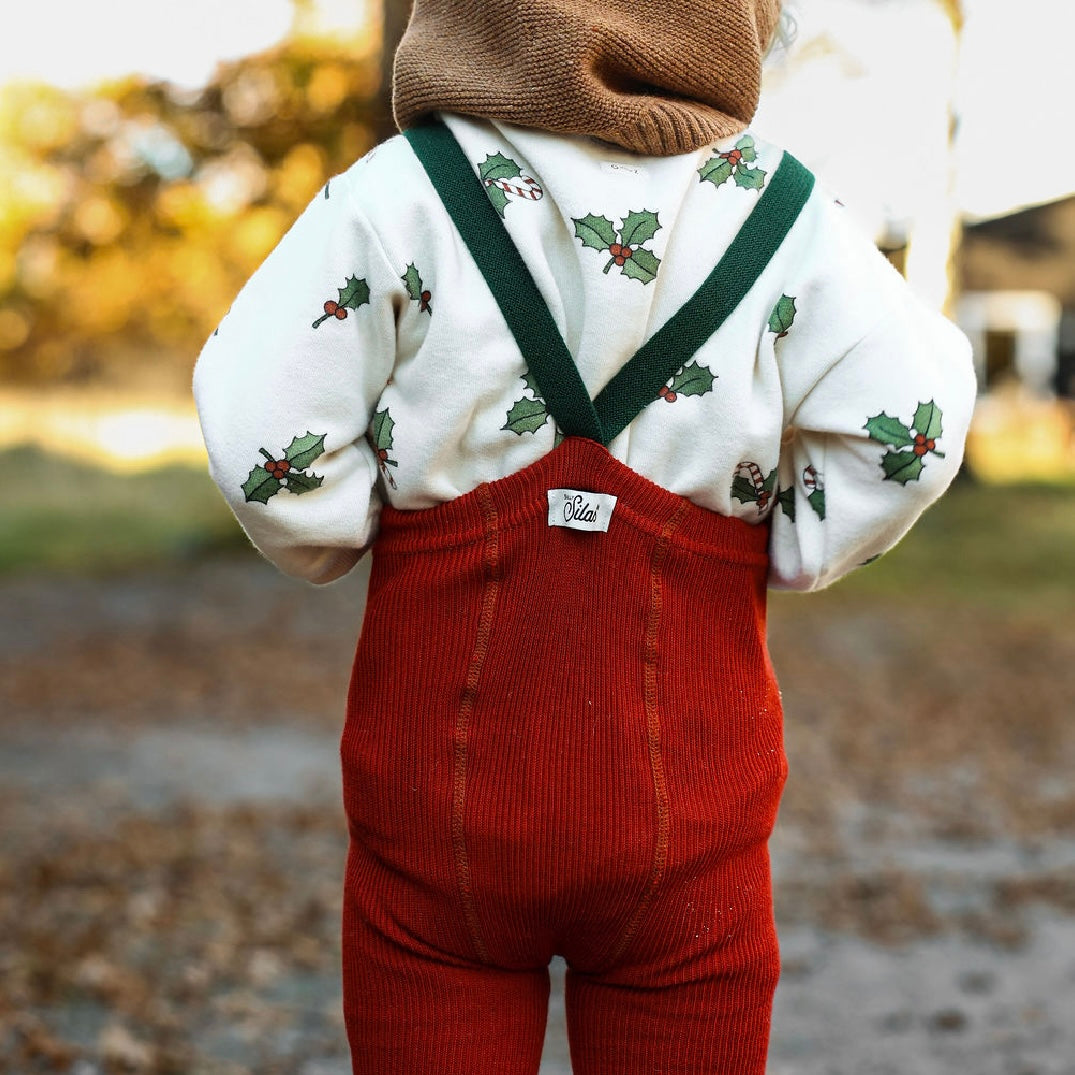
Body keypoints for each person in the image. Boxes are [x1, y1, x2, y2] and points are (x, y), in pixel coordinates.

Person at [193, 1, 976, 1071]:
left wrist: (337, 524)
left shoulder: (397, 195)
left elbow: (260, 436)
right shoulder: (789, 214)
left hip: (438, 819)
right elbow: (910, 437)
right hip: (691, 822)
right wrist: (790, 536)